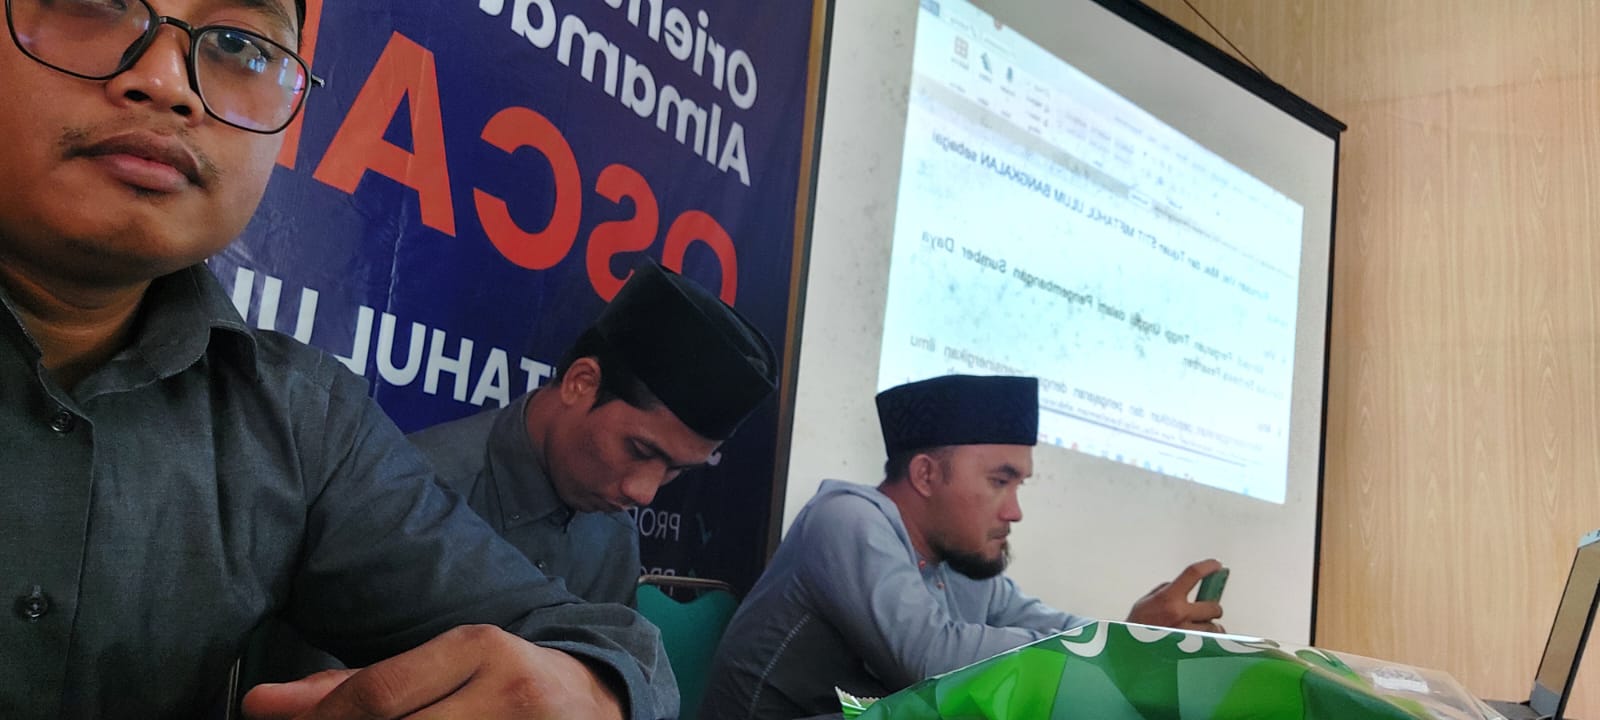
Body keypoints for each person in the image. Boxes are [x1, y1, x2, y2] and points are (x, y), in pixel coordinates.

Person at [0, 0, 668, 717]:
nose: (167, 82)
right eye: (96, 4)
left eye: (240, 45)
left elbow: (614, 650)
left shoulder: (301, 421)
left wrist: (585, 692)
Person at [698, 374, 1227, 719]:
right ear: (926, 475)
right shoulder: (845, 518)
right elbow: (933, 658)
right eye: (1000, 481)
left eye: (1019, 486)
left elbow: (1056, 628)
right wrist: (1115, 650)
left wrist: (1133, 636)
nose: (1014, 510)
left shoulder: (961, 567)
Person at [409, 260, 779, 609]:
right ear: (581, 383)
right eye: (639, 449)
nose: (644, 493)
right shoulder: (419, 494)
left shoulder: (614, 536)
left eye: (676, 470)